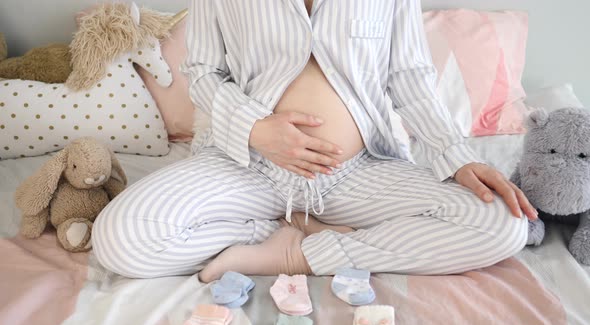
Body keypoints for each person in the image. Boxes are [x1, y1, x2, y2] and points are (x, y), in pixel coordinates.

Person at [92, 0, 538, 281]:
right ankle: (274, 231)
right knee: (120, 238)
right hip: (247, 165)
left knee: (503, 223)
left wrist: (456, 157)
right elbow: (204, 72)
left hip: (358, 173)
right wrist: (256, 129)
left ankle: (302, 253)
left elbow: (409, 76)